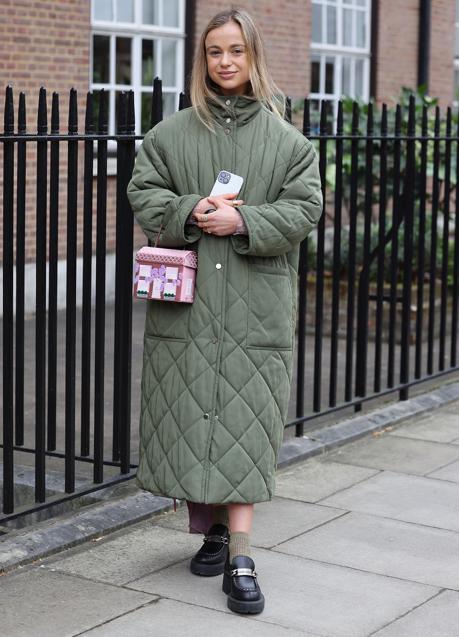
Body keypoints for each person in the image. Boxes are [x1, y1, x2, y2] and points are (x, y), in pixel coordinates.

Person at [127, 8, 322, 615]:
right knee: (191, 415)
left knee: (244, 423)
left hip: (253, 309)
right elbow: (143, 189)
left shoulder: (289, 143)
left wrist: (245, 219)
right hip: (188, 307)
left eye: (236, 50)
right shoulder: (171, 134)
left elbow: (305, 210)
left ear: (254, 55)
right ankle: (209, 532)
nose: (226, 62)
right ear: (203, 59)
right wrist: (188, 209)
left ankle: (241, 554)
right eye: (215, 52)